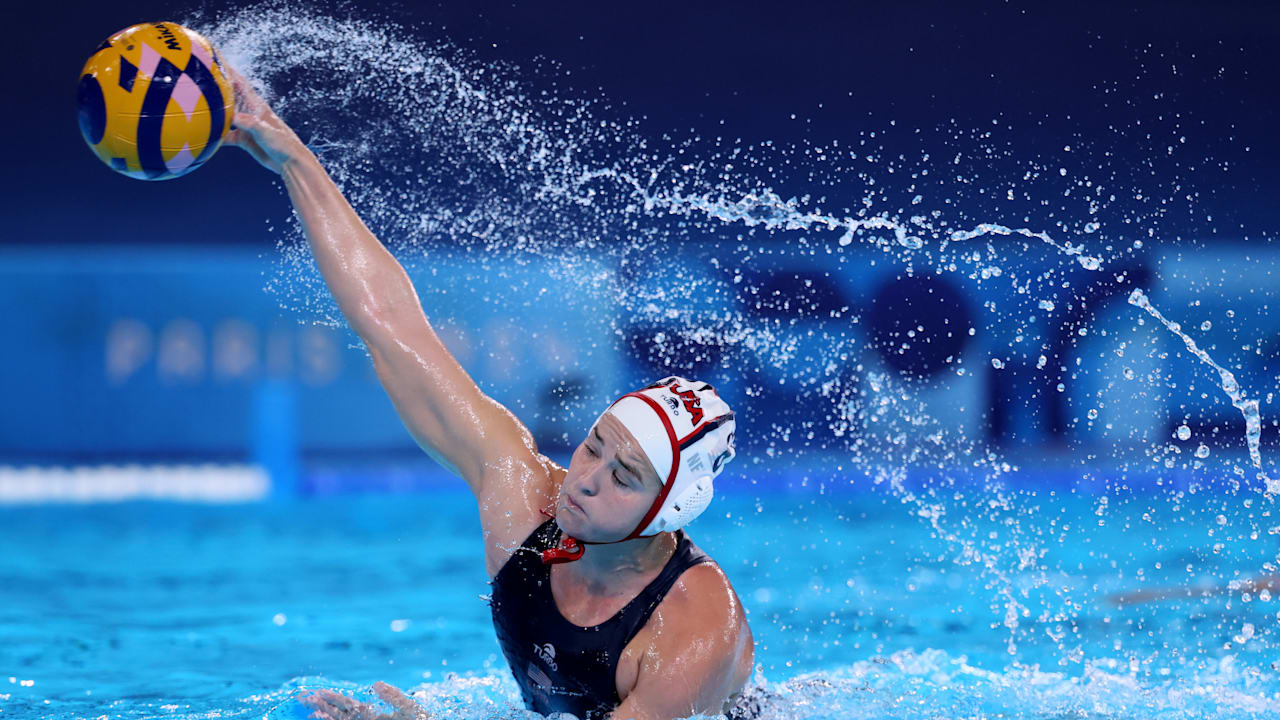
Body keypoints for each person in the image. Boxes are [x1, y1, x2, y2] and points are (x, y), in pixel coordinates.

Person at [221, 65, 755, 720]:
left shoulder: (692, 632)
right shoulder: (521, 496)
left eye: (624, 477)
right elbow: (391, 327)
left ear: (670, 511)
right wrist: (291, 156)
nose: (584, 480)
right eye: (593, 448)